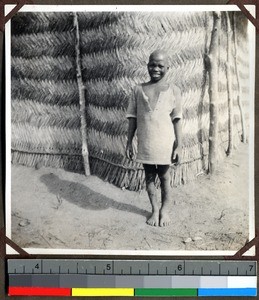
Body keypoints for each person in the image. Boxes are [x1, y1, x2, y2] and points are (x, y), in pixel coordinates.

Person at [126, 49, 182, 227]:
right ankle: (155, 209)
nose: (155, 68)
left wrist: (179, 145)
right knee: (149, 176)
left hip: (165, 142)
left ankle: (165, 210)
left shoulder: (174, 90)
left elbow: (177, 120)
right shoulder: (137, 90)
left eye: (160, 65)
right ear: (147, 65)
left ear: (168, 67)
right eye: (152, 64)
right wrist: (129, 142)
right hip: (146, 141)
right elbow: (132, 118)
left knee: (164, 177)